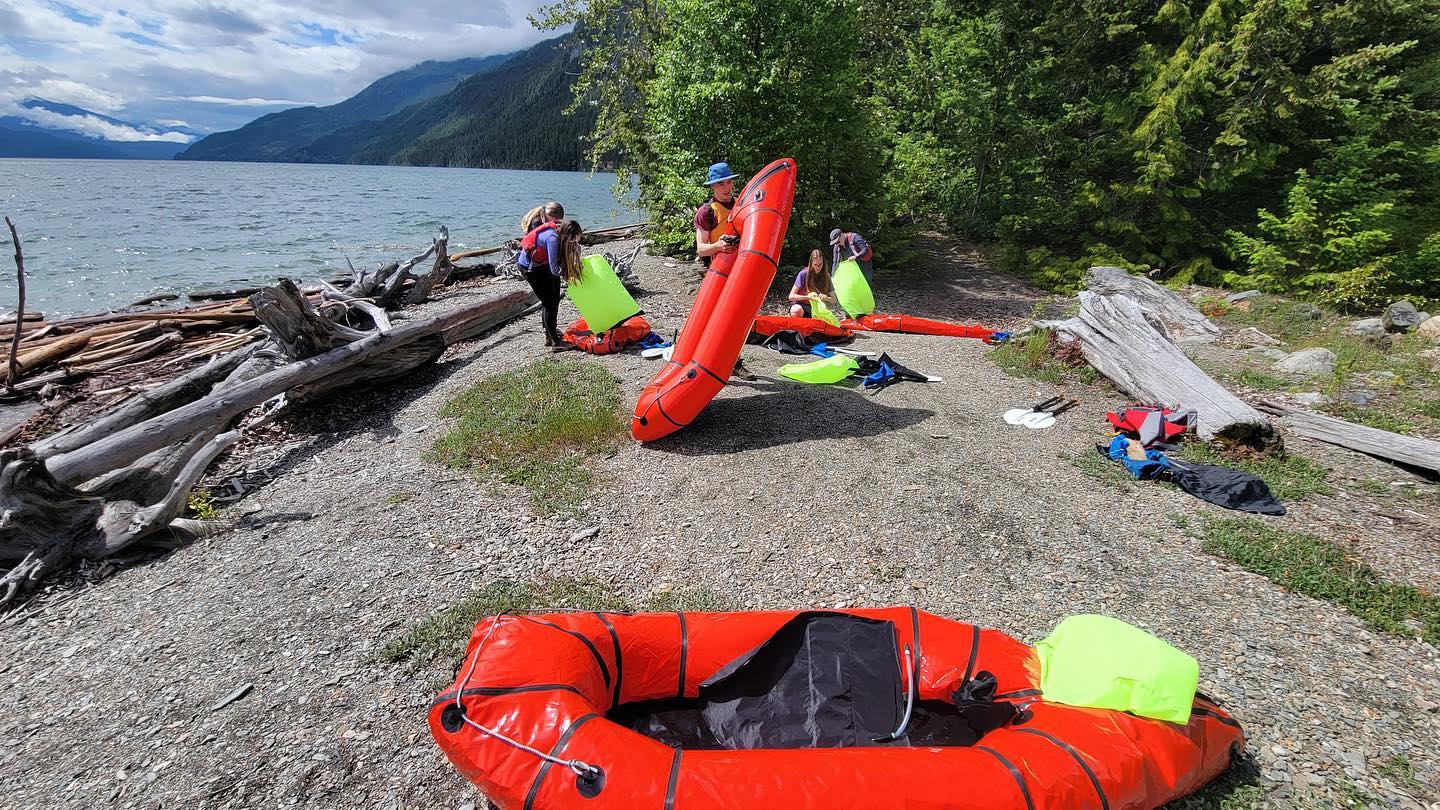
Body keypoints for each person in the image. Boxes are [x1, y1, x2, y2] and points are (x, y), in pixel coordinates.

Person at [693, 161, 755, 380]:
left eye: (729, 181)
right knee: (712, 322)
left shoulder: (741, 207)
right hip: (716, 276)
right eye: (721, 183)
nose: (727, 187)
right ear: (713, 187)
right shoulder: (706, 212)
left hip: (740, 274)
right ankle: (704, 363)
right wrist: (718, 246)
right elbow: (701, 249)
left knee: (735, 322)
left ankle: (735, 363)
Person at [518, 217, 584, 349]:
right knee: (549, 303)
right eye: (572, 239)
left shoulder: (559, 230)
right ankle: (555, 342)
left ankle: (550, 335)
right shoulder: (552, 238)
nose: (573, 242)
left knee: (553, 300)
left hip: (541, 265)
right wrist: (569, 274)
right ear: (567, 235)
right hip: (530, 268)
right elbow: (554, 269)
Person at [788, 249, 836, 318]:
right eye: (815, 265)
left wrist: (826, 298)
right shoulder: (803, 274)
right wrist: (808, 297)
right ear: (811, 264)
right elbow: (791, 296)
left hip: (817, 308)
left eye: (820, 264)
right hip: (802, 306)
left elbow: (833, 300)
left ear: (824, 263)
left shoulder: (826, 276)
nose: (818, 267)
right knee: (796, 310)